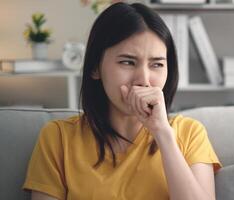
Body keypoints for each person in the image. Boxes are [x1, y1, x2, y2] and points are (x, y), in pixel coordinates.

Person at [22, 2, 222, 200]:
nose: (143, 80)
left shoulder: (190, 134)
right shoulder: (57, 138)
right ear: (95, 68)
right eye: (127, 62)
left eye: (157, 64)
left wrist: (163, 134)